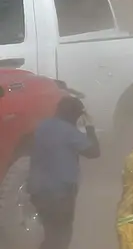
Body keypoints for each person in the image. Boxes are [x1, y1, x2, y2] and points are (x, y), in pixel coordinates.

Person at [27, 96, 100, 249]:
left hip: (38, 191)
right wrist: (90, 127)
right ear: (74, 115)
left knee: (50, 234)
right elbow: (94, 152)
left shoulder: (43, 126)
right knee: (61, 237)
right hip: (60, 194)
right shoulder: (69, 132)